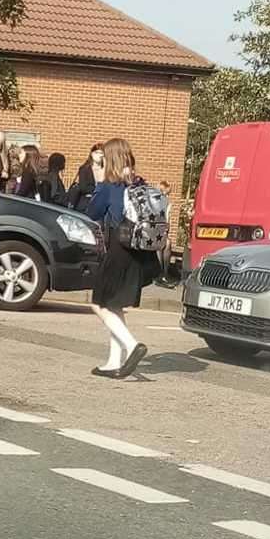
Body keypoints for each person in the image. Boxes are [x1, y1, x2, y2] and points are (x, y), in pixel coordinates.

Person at [85, 138, 158, 379]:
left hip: (118, 248)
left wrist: (98, 183)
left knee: (98, 303)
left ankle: (132, 345)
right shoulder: (139, 184)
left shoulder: (109, 186)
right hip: (138, 250)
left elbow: (93, 213)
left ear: (110, 159)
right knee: (114, 305)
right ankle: (114, 361)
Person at [67, 142, 105, 210]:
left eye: (101, 153)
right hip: (86, 203)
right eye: (96, 152)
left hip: (101, 203)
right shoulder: (84, 169)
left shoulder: (106, 170)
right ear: (91, 154)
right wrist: (97, 190)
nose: (99, 155)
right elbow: (83, 187)